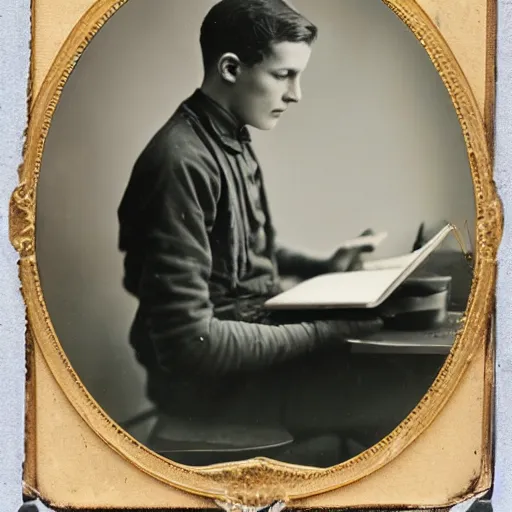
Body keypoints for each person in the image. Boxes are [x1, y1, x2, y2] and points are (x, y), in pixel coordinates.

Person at [118, 0, 442, 462]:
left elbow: (239, 251)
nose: (296, 94)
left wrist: (321, 266)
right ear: (231, 68)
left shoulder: (226, 136)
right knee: (413, 394)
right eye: (283, 75)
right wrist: (327, 331)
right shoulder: (180, 161)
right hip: (210, 389)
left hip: (247, 351)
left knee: (402, 366)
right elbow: (190, 344)